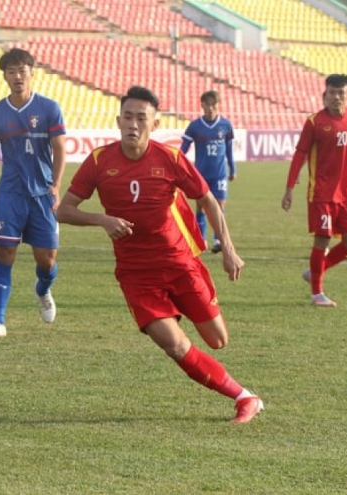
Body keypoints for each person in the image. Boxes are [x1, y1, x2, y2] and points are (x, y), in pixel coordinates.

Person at [56, 86, 263, 423]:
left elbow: (208, 200)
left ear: (154, 124)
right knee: (175, 346)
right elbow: (63, 211)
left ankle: (185, 307)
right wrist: (102, 220)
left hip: (179, 263)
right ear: (118, 120)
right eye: (127, 117)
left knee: (218, 340)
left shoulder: (170, 159)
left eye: (141, 118)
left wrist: (228, 249)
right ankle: (244, 397)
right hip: (137, 275)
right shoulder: (99, 161)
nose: (133, 124)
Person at [0, 48, 66, 339]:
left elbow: (60, 148)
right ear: (5, 76)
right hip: (10, 194)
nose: (18, 76)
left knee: (46, 260)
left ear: (32, 73)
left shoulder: (49, 108)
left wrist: (56, 185)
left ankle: (43, 289)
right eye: (11, 72)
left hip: (42, 194)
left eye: (22, 71)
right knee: (5, 252)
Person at [281, 74, 347, 307]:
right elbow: (300, 153)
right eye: (332, 93)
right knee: (322, 240)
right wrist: (290, 187)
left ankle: (316, 271)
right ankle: (317, 293)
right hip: (320, 194)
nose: (336, 97)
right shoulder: (314, 122)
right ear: (325, 95)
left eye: (341, 93)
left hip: (346, 195)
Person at [179, 90, 236, 253]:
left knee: (220, 204)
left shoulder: (225, 125)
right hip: (201, 173)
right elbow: (183, 148)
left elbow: (229, 149)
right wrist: (177, 164)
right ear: (202, 105)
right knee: (201, 207)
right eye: (207, 104)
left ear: (218, 105)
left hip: (220, 173)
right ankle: (201, 239)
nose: (210, 107)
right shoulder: (195, 126)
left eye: (213, 104)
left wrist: (233, 168)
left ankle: (218, 240)